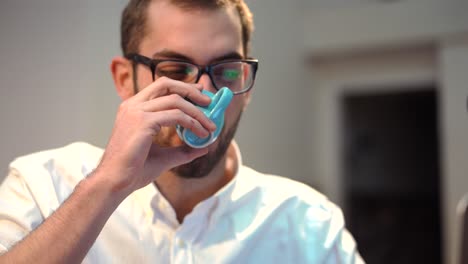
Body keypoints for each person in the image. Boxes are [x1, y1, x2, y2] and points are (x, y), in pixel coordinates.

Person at [0, 0, 364, 263]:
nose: (204, 94)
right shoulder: (42, 187)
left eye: (227, 71)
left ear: (247, 86)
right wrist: (108, 186)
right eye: (175, 69)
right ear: (125, 79)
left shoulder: (309, 224)